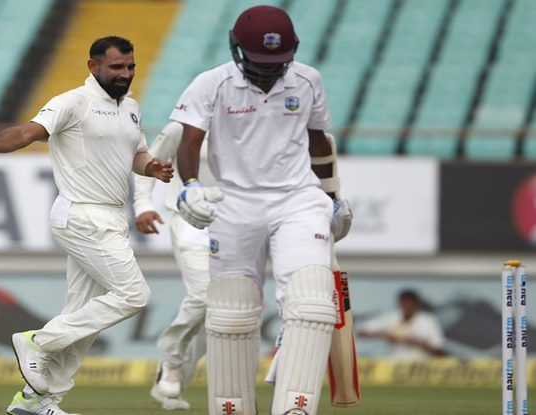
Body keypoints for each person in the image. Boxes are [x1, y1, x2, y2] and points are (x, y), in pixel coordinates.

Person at [0, 36, 174, 415]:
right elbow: (27, 132)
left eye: (130, 66)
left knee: (81, 318)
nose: (125, 74)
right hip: (82, 215)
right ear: (93, 66)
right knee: (134, 295)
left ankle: (36, 402)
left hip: (110, 217)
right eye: (117, 67)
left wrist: (152, 167)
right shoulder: (73, 101)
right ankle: (38, 341)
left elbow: (136, 154)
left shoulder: (131, 108)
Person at [171, 5, 351, 415]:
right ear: (236, 48)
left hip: (297, 197)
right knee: (231, 312)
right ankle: (232, 408)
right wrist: (192, 188)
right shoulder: (211, 83)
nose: (267, 72)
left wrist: (332, 194)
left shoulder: (308, 80)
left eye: (275, 63)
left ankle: (295, 407)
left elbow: (319, 141)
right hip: (234, 201)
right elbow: (189, 143)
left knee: (312, 304)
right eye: (259, 62)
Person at [133, 121, 215, 410]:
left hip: (238, 224)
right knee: (204, 295)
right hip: (189, 220)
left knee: (221, 314)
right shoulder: (182, 127)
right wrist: (142, 205)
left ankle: (175, 381)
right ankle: (172, 359)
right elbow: (148, 163)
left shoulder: (250, 119)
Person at [358, 289, 447, 360]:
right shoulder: (391, 318)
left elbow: (440, 351)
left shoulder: (428, 321)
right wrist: (387, 335)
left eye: (410, 304)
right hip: (395, 366)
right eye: (404, 303)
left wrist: (419, 344)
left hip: (419, 367)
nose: (406, 306)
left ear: (416, 304)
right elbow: (362, 333)